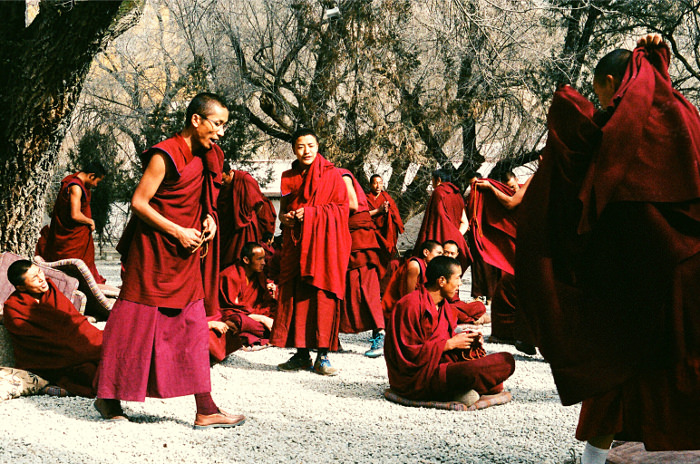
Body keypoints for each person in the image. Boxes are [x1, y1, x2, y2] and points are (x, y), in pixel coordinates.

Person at [516, 34, 700, 462]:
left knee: (614, 359)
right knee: (683, 364)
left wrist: (566, 116)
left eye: (602, 93)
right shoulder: (684, 114)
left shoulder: (624, 126)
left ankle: (593, 460)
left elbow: (589, 169)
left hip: (639, 267)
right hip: (689, 265)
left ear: (614, 81)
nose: (602, 105)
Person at [96, 93, 245, 428]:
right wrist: (178, 231)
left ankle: (206, 408)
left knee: (193, 325)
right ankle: (107, 398)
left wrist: (209, 217)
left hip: (185, 258)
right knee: (131, 326)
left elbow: (207, 197)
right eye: (217, 124)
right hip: (152, 253)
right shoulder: (165, 155)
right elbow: (139, 202)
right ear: (196, 120)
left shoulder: (210, 155)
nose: (220, 132)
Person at [270, 128, 351, 376]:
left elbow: (343, 209)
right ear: (294, 149)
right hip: (296, 244)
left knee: (321, 297)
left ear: (318, 147)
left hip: (324, 248)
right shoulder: (287, 177)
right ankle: (302, 354)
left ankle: (323, 356)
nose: (306, 151)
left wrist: (313, 214)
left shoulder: (332, 175)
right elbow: (283, 211)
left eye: (311, 145)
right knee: (296, 297)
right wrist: (288, 218)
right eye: (301, 146)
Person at [384, 256, 515, 405]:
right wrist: (449, 344)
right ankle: (459, 388)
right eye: (458, 278)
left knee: (506, 360)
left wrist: (468, 340)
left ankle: (457, 388)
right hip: (416, 378)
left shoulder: (444, 306)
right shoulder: (410, 305)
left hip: (441, 366)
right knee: (482, 374)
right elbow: (406, 354)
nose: (460, 284)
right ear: (441, 281)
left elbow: (446, 338)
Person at [3, 260, 102, 397]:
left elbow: (73, 320)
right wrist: (74, 348)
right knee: (90, 373)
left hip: (77, 343)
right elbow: (36, 342)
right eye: (34, 278)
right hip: (50, 359)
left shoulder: (51, 290)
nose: (41, 279)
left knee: (107, 353)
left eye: (39, 272)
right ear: (21, 287)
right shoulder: (14, 308)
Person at [338, 169, 385, 358]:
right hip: (346, 238)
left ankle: (379, 333)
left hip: (359, 241)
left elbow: (351, 205)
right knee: (347, 290)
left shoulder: (341, 175)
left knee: (368, 288)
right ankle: (331, 337)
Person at [35, 161, 107, 285]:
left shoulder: (74, 180)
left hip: (77, 236)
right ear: (91, 175)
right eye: (96, 181)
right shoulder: (76, 187)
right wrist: (90, 221)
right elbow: (75, 214)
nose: (95, 185)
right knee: (72, 266)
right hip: (72, 238)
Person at [217, 241, 277, 351]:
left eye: (264, 259)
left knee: (280, 315)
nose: (263, 263)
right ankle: (270, 333)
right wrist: (262, 319)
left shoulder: (259, 275)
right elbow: (229, 308)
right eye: (259, 259)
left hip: (253, 315)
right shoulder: (229, 275)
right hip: (236, 316)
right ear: (246, 260)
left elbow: (265, 302)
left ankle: (244, 337)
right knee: (238, 321)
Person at [415, 170, 470, 272]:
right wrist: (455, 238)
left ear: (438, 180)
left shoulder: (439, 191)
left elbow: (438, 218)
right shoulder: (457, 195)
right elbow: (465, 222)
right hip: (453, 245)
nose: (432, 184)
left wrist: (446, 238)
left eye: (433, 181)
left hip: (439, 240)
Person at [218, 163, 268, 270]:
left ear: (230, 173)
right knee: (227, 261)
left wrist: (249, 217)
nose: (221, 183)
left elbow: (258, 203)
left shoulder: (245, 180)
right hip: (228, 228)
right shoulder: (220, 186)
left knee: (246, 259)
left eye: (223, 179)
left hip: (246, 226)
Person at [381, 240, 443, 320]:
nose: (441, 257)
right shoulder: (415, 265)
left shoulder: (428, 268)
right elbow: (409, 296)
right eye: (439, 253)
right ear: (426, 252)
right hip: (399, 310)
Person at [441, 240, 489, 325]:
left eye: (452, 253)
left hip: (455, 304)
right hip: (443, 304)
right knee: (451, 311)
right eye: (446, 252)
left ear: (457, 254)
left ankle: (466, 317)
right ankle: (471, 319)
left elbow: (455, 298)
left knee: (479, 306)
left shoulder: (455, 267)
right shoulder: (437, 266)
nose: (449, 256)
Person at [366, 174, 404, 261]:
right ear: (370, 185)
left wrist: (388, 212)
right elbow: (362, 215)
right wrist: (379, 210)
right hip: (371, 232)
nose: (378, 186)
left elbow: (395, 215)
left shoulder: (386, 197)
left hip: (385, 232)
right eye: (375, 183)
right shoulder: (365, 198)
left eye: (380, 183)